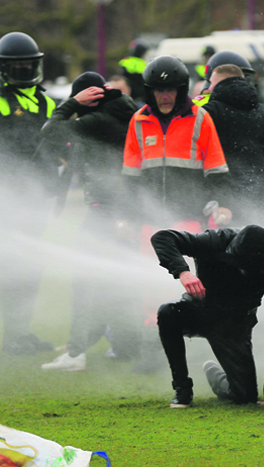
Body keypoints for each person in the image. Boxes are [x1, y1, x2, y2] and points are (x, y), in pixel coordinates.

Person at [122, 55, 233, 373]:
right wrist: (126, 216)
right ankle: (151, 353)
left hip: (188, 218)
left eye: (170, 89)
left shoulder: (201, 119)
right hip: (149, 220)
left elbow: (217, 169)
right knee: (149, 286)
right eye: (158, 90)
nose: (165, 95)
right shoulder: (138, 122)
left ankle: (201, 348)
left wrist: (223, 204)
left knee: (191, 284)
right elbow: (130, 177)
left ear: (181, 89)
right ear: (149, 91)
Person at [39, 72, 140, 370]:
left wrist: (71, 103)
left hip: (108, 209)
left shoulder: (100, 119)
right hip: (124, 209)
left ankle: (76, 354)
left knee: (84, 278)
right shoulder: (123, 109)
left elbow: (50, 130)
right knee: (117, 280)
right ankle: (115, 343)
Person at [151, 225, 264, 408]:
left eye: (252, 268)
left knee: (245, 397)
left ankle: (216, 377)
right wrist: (182, 271)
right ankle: (182, 389)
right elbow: (162, 237)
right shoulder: (216, 241)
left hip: (234, 325)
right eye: (241, 264)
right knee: (168, 313)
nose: (244, 272)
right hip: (199, 310)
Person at [0, 31, 58, 355]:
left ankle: (21, 332)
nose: (23, 70)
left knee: (31, 267)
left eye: (28, 64)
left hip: (38, 198)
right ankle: (12, 336)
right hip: (8, 199)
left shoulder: (46, 100)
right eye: (16, 65)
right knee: (11, 267)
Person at [203, 64, 264, 225]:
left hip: (221, 202)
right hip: (259, 199)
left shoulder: (209, 113)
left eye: (211, 83)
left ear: (220, 84)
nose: (208, 89)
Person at [118, 39, 148, 104]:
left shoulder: (126, 61)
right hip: (140, 96)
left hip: (127, 94)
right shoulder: (143, 64)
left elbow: (120, 77)